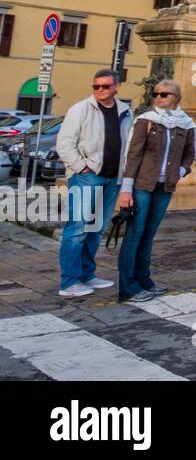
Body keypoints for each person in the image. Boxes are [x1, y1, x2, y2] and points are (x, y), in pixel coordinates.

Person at [116, 79, 196, 303]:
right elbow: (132, 155)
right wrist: (126, 189)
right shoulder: (146, 121)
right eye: (156, 94)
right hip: (142, 184)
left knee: (149, 234)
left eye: (164, 94)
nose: (159, 98)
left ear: (176, 98)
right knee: (135, 234)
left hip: (165, 186)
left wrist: (181, 171)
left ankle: (144, 280)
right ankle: (128, 287)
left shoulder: (186, 124)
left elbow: (191, 153)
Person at [54, 69, 133, 298]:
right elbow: (65, 143)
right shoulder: (80, 109)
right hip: (86, 177)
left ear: (116, 86)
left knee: (95, 230)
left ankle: (87, 274)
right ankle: (69, 281)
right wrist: (82, 167)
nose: (100, 90)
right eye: (96, 86)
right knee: (77, 229)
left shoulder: (125, 112)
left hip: (112, 179)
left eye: (105, 86)